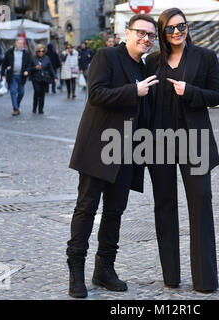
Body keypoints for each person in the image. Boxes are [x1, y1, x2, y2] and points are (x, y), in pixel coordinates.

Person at [66, 14, 158, 299]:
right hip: (99, 147)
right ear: (127, 33)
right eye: (141, 33)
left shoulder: (144, 67)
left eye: (150, 35)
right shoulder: (106, 56)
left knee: (115, 212)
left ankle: (104, 270)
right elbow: (96, 94)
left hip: (127, 151)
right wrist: (135, 90)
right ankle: (76, 274)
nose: (146, 38)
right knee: (86, 209)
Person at [145, 8, 219, 293]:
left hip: (196, 142)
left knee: (201, 204)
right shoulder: (152, 61)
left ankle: (205, 279)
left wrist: (190, 91)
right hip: (159, 143)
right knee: (165, 207)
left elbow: (218, 95)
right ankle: (171, 276)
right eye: (171, 28)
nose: (178, 32)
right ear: (162, 32)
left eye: (182, 26)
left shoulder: (205, 57)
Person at [1, 38, 31, 116]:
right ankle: (15, 108)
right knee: (13, 91)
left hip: (21, 75)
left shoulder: (25, 53)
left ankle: (16, 105)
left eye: (21, 43)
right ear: (15, 43)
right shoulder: (9, 52)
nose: (20, 45)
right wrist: (2, 74)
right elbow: (4, 64)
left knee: (21, 92)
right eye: (19, 43)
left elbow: (29, 64)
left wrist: (27, 71)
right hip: (12, 75)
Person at [30, 44, 57, 114]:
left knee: (42, 93)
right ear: (37, 51)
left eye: (42, 51)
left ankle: (40, 109)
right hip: (35, 78)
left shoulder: (47, 58)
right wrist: (35, 68)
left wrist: (55, 77)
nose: (41, 52)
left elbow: (51, 68)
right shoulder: (33, 58)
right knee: (37, 91)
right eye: (39, 51)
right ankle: (34, 107)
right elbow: (29, 68)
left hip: (44, 78)